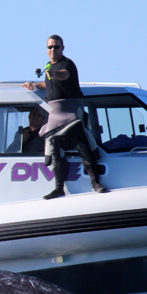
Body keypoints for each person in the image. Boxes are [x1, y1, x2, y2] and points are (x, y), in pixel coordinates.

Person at [24, 34, 107, 198]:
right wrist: (34, 85)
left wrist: (54, 73)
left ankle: (95, 182)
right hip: (55, 116)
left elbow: (63, 75)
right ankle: (58, 187)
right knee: (55, 150)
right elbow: (48, 84)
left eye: (56, 47)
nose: (53, 50)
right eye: (50, 47)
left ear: (62, 48)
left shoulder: (67, 64)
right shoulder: (48, 66)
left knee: (82, 146)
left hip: (70, 114)